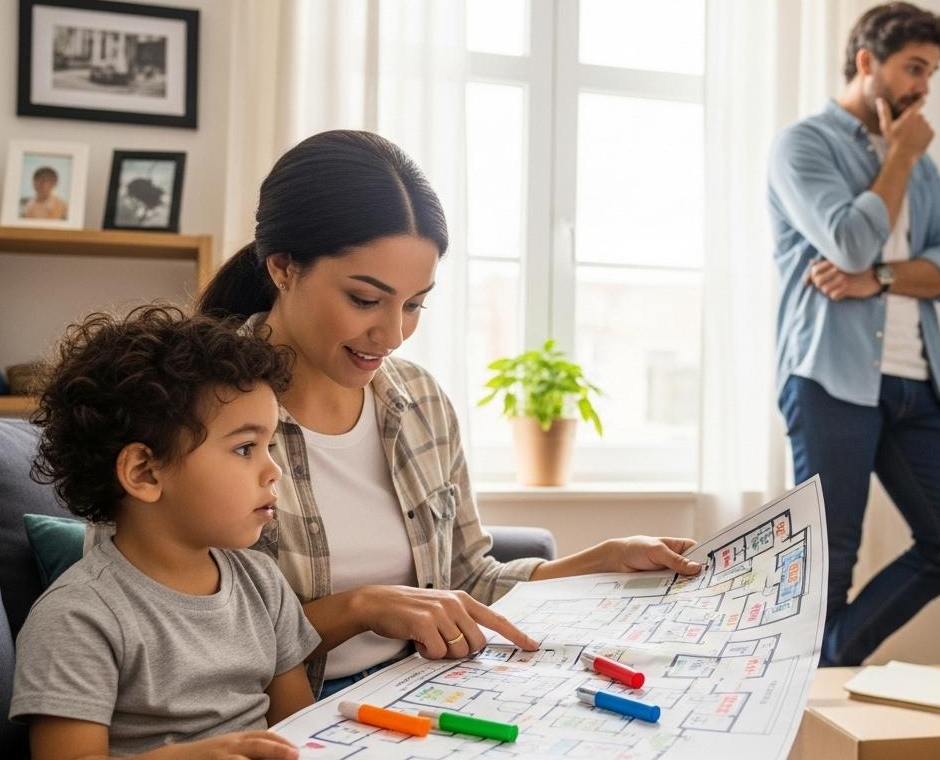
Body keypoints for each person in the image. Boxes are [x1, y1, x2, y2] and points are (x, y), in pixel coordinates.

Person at [197, 130, 704, 699]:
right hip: (269, 719)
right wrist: (360, 609)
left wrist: (600, 563)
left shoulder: (419, 400)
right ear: (284, 268)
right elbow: (187, 639)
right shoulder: (196, 407)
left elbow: (467, 582)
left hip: (420, 692)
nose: (392, 334)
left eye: (414, 304)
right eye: (365, 300)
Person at [767, 2, 940, 667]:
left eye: (931, 73)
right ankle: (806, 709)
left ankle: (823, 664)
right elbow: (850, 242)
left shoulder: (922, 166)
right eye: (914, 68)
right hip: (831, 377)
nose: (923, 88)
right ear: (866, 62)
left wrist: (882, 277)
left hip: (914, 383)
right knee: (830, 564)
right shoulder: (804, 146)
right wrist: (903, 157)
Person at [11, 305, 319, 759]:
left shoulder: (263, 584)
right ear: (145, 473)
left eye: (269, 446)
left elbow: (298, 731)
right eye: (245, 448)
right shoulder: (78, 618)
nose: (273, 470)